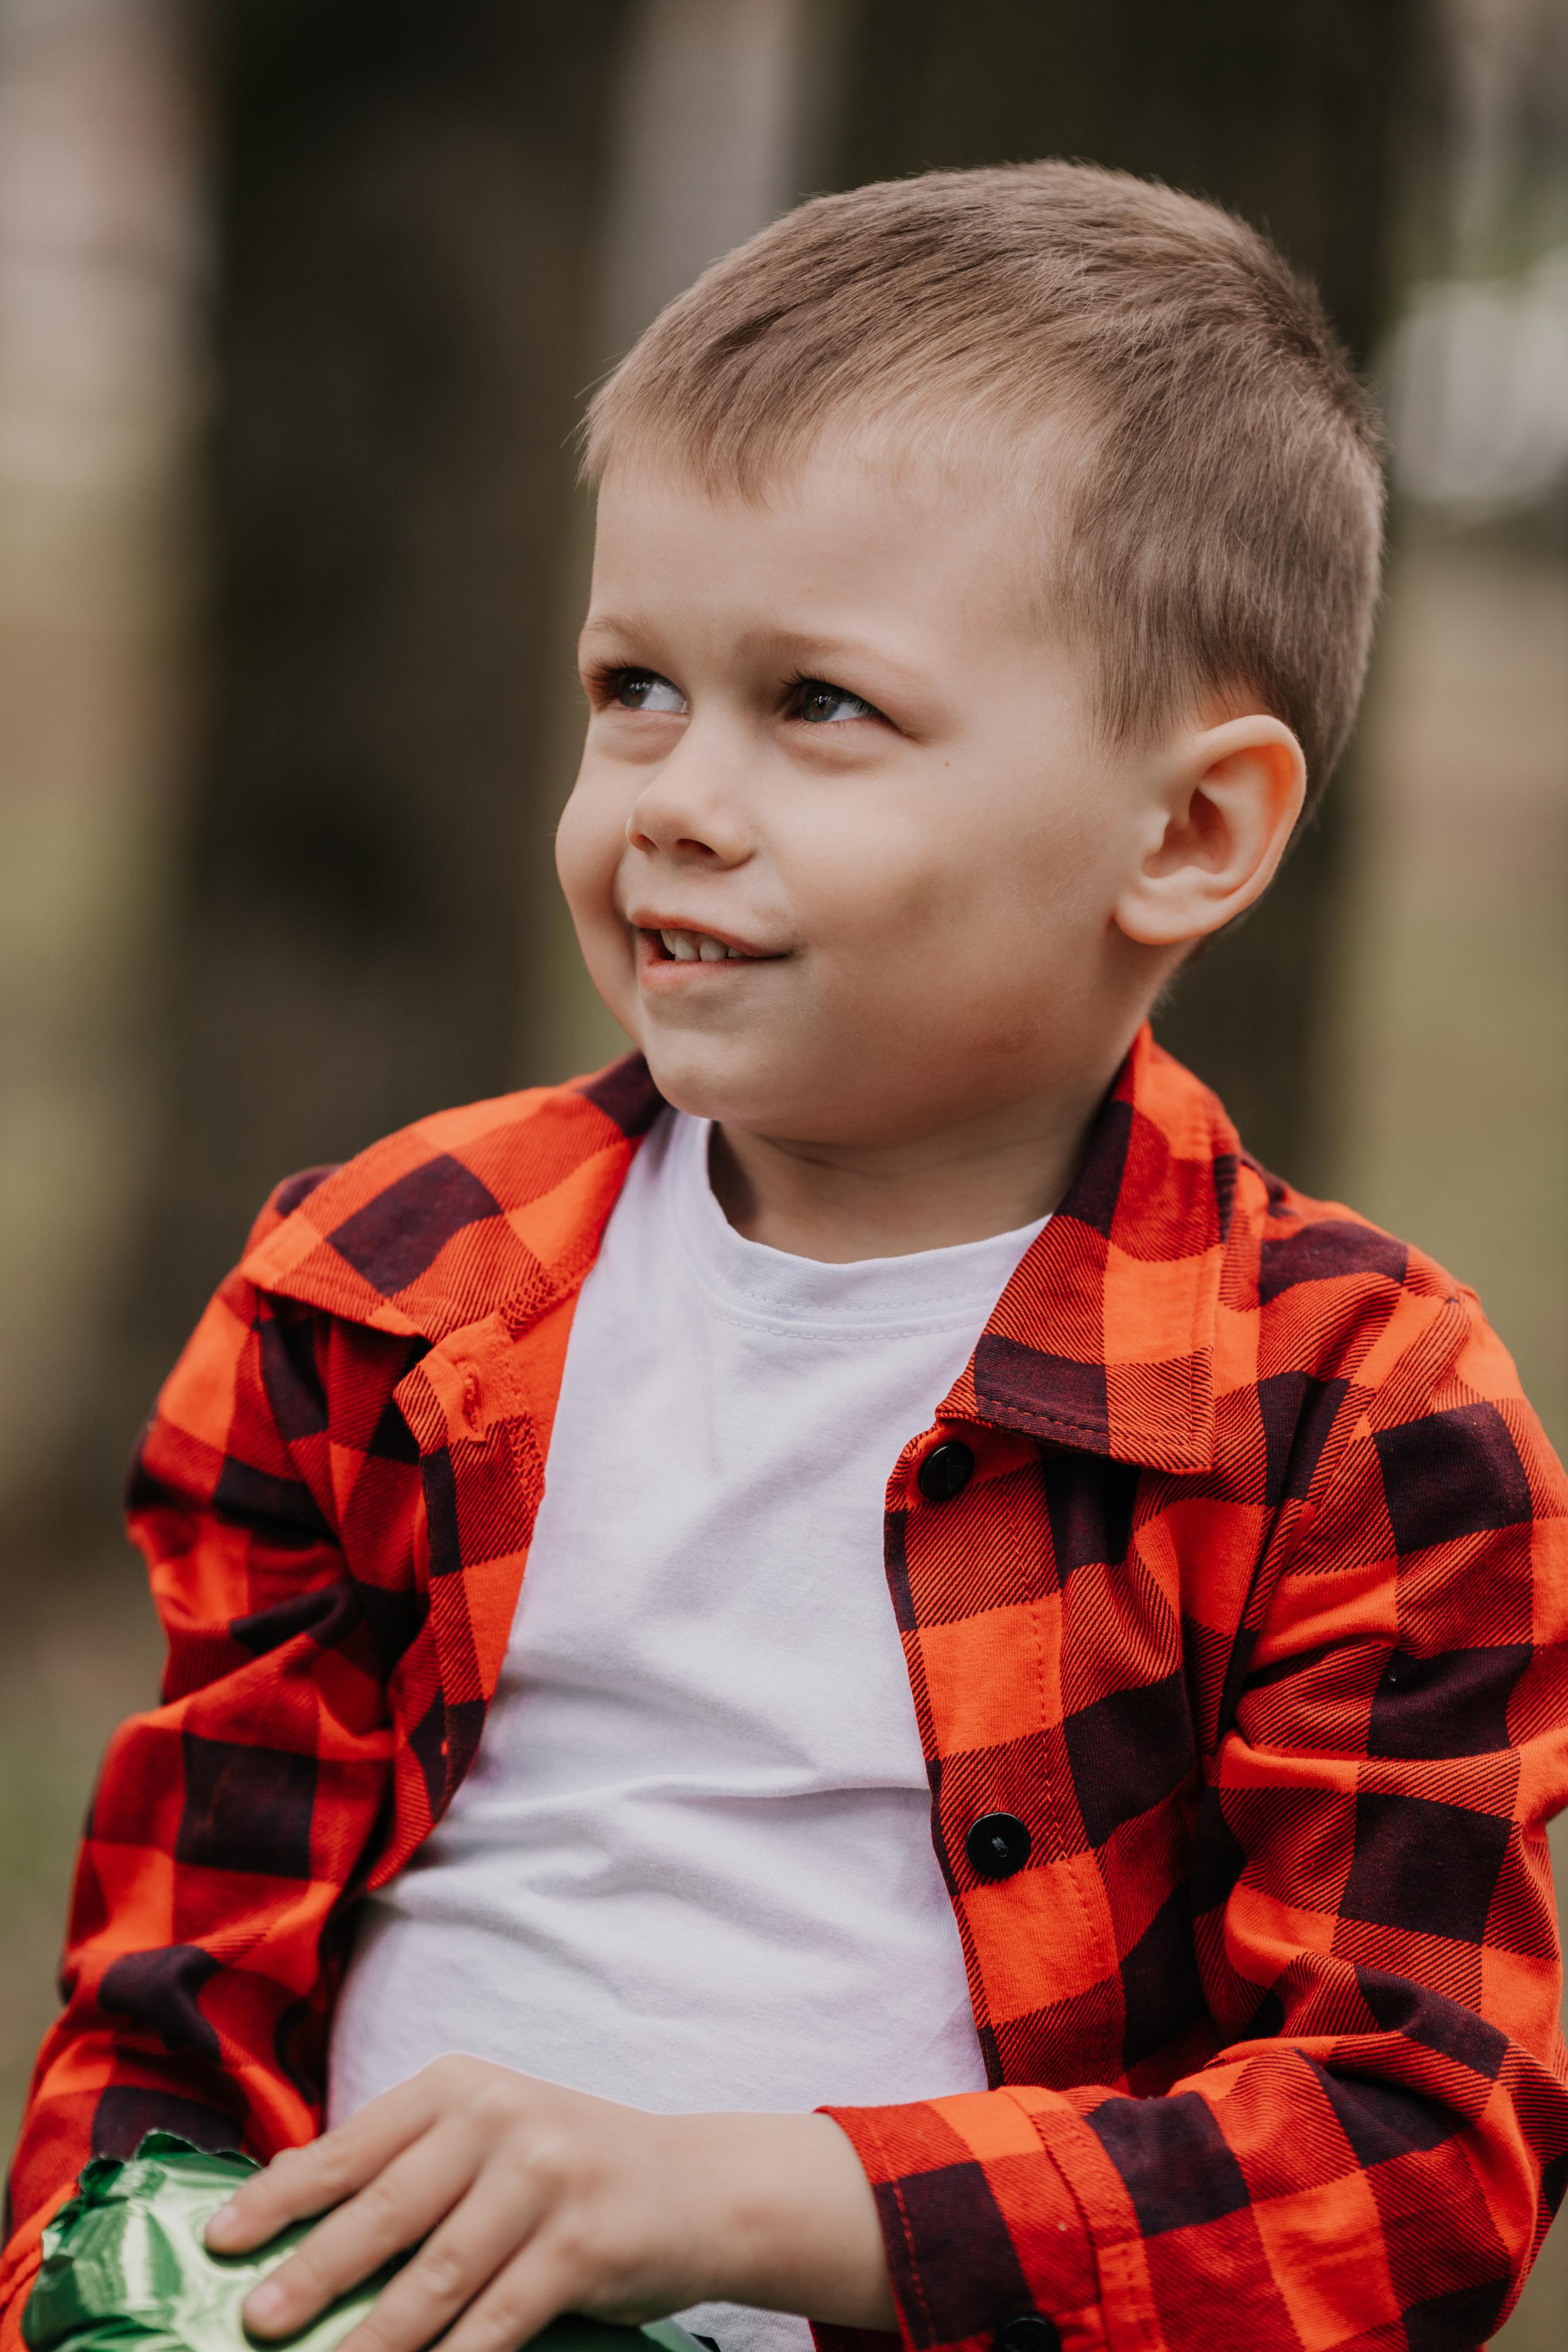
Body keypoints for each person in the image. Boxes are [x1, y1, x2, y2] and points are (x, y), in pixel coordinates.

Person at [4, 161, 1567, 2352]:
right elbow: (178, 1989)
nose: (675, 795)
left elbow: (1412, 2161)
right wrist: (107, 2283)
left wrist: (748, 2201)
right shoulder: (378, 1289)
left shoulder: (1350, 1420)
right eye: (634, 684)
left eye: (820, 705)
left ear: (1190, 831)